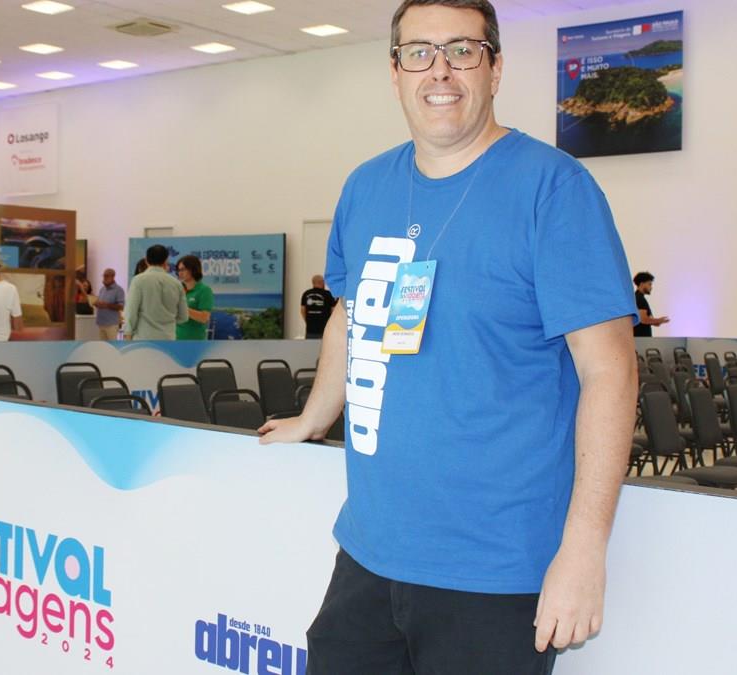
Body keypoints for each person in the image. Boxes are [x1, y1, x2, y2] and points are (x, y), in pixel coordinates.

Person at [259, 2, 638, 672]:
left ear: (495, 68)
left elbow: (610, 371)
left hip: (495, 571)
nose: (440, 70)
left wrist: (584, 548)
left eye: (463, 50)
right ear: (395, 72)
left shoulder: (554, 189)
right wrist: (316, 415)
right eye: (419, 53)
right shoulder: (366, 186)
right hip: (369, 553)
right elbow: (350, 312)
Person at [124, 244, 187, 340]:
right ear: (166, 261)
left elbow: (131, 311)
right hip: (168, 338)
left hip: (143, 338)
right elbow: (183, 317)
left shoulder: (138, 280)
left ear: (146, 260)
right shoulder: (176, 283)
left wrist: (128, 333)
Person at [175, 254, 214, 340]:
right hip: (175, 340)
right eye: (178, 270)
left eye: (183, 269)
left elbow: (204, 318)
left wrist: (183, 308)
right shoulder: (178, 290)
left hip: (194, 341)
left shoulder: (204, 290)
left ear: (193, 269)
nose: (180, 273)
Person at [300, 274, 337, 339]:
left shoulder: (306, 294)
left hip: (310, 329)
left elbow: (302, 310)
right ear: (322, 282)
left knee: (310, 345)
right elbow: (333, 310)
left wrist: (307, 321)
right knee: (325, 345)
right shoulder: (328, 294)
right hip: (325, 329)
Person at [632, 271, 668, 337]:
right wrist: (659, 320)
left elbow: (650, 320)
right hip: (641, 338)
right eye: (649, 284)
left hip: (642, 339)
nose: (651, 287)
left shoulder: (639, 298)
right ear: (642, 284)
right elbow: (643, 319)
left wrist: (657, 321)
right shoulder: (639, 298)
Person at [94, 268, 125, 341]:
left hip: (111, 325)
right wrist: (96, 303)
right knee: (102, 346)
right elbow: (99, 302)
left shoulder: (119, 290)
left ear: (113, 276)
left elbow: (121, 307)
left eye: (107, 276)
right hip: (101, 323)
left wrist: (107, 305)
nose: (104, 278)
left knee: (112, 346)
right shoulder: (102, 289)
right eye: (104, 276)